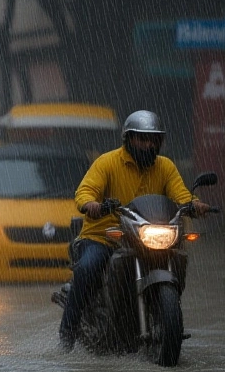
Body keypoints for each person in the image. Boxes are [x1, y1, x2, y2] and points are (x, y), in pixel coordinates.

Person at [58, 110, 210, 351]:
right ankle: (66, 335)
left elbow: (181, 195)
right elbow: (85, 191)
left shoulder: (165, 166)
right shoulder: (107, 162)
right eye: (142, 139)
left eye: (153, 140)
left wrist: (195, 204)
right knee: (88, 267)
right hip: (105, 237)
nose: (148, 145)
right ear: (129, 139)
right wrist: (93, 205)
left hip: (146, 237)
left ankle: (162, 317)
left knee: (178, 255)